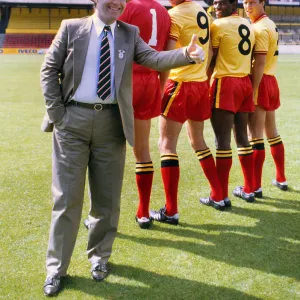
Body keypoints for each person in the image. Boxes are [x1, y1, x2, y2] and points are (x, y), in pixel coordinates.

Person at [40, 0, 205, 296]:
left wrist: (186, 55)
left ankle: (99, 258)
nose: (117, 2)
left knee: (107, 200)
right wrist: (58, 116)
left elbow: (154, 59)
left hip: (112, 123)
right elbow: (49, 70)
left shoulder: (129, 33)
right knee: (67, 198)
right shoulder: (71, 28)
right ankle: (56, 268)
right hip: (72, 121)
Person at [84, 0, 171, 230]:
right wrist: (159, 88)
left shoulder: (127, 7)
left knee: (105, 151)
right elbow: (164, 56)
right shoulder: (164, 12)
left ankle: (99, 216)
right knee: (143, 151)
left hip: (124, 83)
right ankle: (143, 213)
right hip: (150, 82)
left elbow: (108, 42)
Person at [149, 0, 226, 227]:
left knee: (166, 144)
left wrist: (160, 88)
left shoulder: (175, 15)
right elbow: (209, 51)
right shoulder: (201, 11)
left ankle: (171, 211)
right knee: (198, 141)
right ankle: (219, 195)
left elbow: (167, 57)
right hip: (200, 84)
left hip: (180, 83)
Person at [207, 0, 256, 204]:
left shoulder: (218, 25)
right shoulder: (248, 25)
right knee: (243, 138)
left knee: (222, 140)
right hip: (244, 81)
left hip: (226, 82)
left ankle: (220, 196)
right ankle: (248, 189)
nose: (217, 7)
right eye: (215, 3)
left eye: (222, 3)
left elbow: (211, 58)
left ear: (232, 5)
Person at [243, 0, 288, 197]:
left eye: (252, 2)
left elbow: (259, 61)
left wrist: (252, 89)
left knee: (255, 136)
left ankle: (255, 186)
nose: (247, 6)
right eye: (245, 2)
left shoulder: (259, 28)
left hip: (260, 82)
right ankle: (281, 178)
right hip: (271, 80)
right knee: (272, 132)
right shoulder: (270, 23)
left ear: (262, 3)